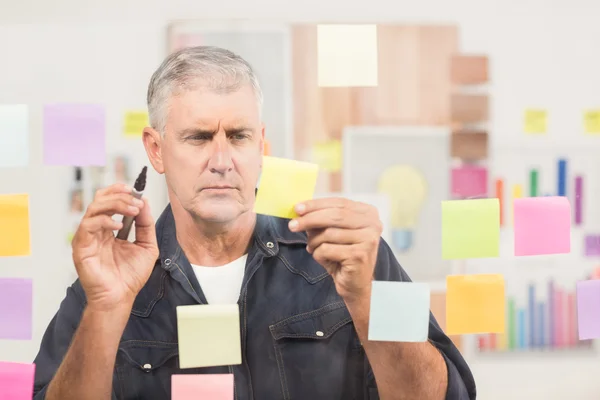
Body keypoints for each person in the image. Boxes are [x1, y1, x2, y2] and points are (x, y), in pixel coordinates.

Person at [32, 46, 476, 400]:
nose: (222, 161)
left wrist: (367, 299)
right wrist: (107, 309)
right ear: (156, 149)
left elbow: (449, 395)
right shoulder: (109, 281)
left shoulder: (350, 254)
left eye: (239, 136)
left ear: (261, 145)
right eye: (199, 137)